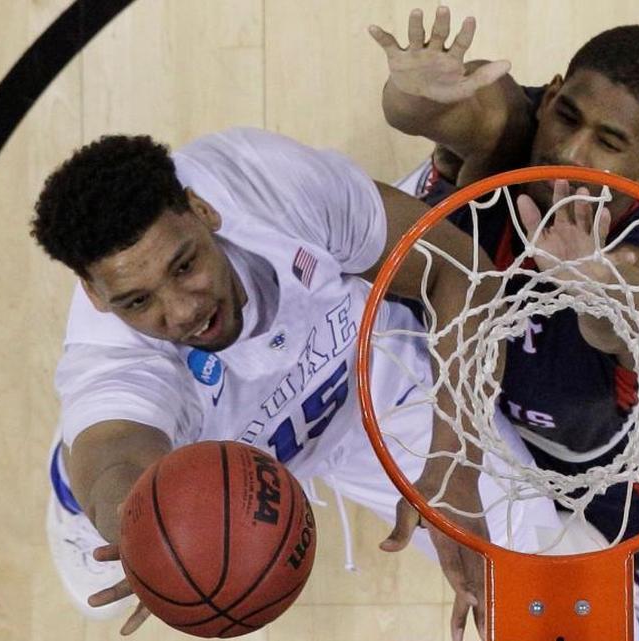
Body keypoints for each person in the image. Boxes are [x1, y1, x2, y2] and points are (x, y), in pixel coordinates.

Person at [34, 127, 560, 638]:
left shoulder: (269, 182)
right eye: (137, 301)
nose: (183, 310)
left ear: (203, 211)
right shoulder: (113, 358)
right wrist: (140, 522)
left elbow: (459, 272)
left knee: (537, 562)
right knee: (115, 542)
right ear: (97, 297)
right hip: (219, 466)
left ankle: (370, 227)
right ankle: (71, 488)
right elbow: (114, 450)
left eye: (185, 266)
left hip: (369, 375)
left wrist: (455, 463)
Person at [370, 8, 639, 640]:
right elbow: (437, 110)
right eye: (567, 117)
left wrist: (598, 291)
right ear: (549, 96)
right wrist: (411, 94)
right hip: (466, 375)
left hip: (592, 447)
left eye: (609, 142)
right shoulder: (508, 130)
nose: (569, 152)